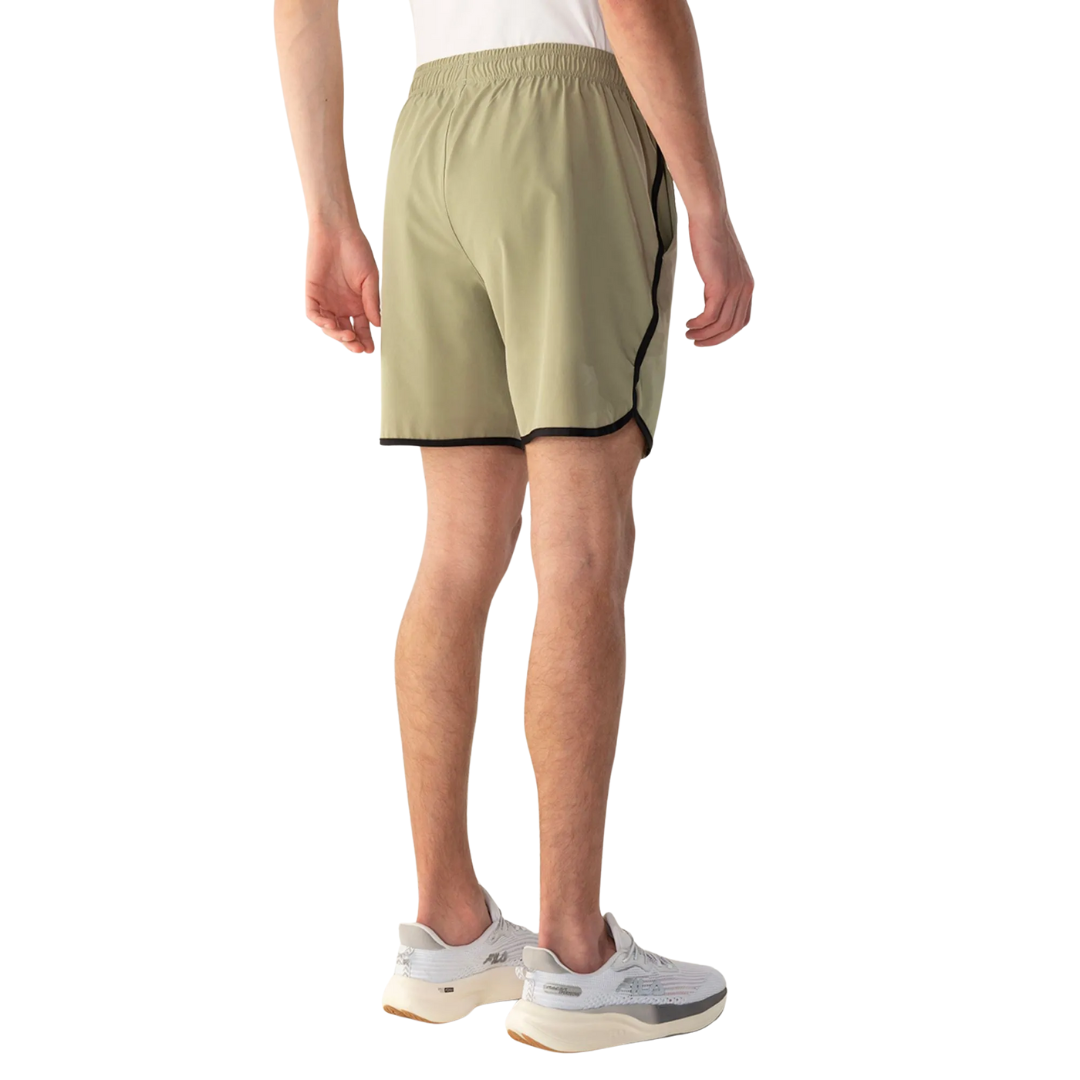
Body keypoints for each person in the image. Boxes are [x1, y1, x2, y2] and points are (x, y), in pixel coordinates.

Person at [274, 0, 753, 1053]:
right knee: (581, 548)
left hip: (429, 135)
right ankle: (576, 958)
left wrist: (327, 210)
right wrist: (710, 206)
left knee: (456, 550)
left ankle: (446, 929)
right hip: (568, 129)